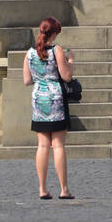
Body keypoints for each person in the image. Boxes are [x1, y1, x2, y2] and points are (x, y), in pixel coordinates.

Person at [23, 16, 75, 201]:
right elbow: (66, 76)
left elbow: (27, 80)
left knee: (42, 145)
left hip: (38, 99)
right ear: (53, 33)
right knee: (58, 146)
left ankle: (42, 188)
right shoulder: (56, 50)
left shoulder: (29, 53)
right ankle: (64, 189)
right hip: (55, 98)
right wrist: (71, 61)